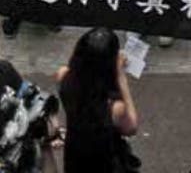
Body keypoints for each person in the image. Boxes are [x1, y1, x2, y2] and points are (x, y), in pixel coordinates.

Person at [56, 27, 139, 173]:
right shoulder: (114, 108)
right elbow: (131, 127)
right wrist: (121, 77)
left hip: (75, 149)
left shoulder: (63, 76)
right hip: (104, 158)